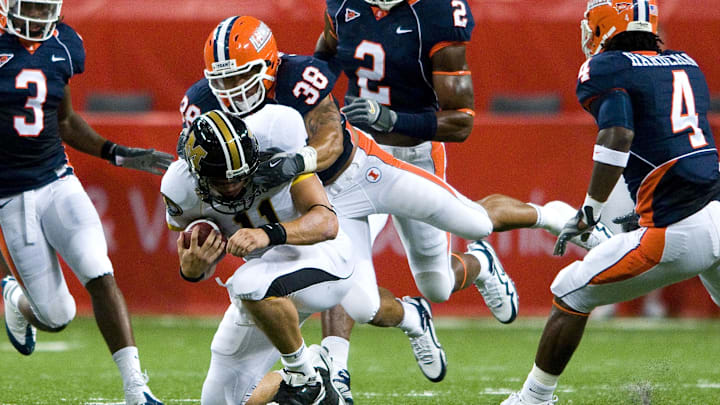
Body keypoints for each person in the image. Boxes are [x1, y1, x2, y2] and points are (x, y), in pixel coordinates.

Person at [182, 15, 613, 403]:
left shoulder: (299, 79)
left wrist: (293, 162)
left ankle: (552, 216)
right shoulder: (205, 103)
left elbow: (331, 137)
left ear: (270, 66)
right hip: (329, 200)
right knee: (363, 303)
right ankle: (391, 332)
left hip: (367, 169)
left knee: (472, 221)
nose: (231, 91)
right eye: (222, 81)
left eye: (242, 77)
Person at [502, 1, 720, 404]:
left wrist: (589, 209)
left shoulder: (607, 67)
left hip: (677, 229)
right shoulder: (686, 62)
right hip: (716, 210)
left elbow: (618, 134)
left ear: (606, 24)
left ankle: (533, 399)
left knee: (569, 291)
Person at [165, 108, 445, 405]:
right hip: (267, 281)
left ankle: (305, 377)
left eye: (241, 177)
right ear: (197, 174)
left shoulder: (276, 156)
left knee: (248, 283)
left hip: (323, 259)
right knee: (219, 401)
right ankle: (305, 374)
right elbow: (202, 259)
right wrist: (193, 270)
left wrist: (268, 234)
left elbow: (327, 223)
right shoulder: (178, 188)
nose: (234, 187)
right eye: (223, 181)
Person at [0, 1, 173, 404]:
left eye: (45, 8)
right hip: (11, 196)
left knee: (99, 269)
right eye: (31, 7)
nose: (39, 16)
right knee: (56, 316)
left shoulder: (65, 42)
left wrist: (118, 152)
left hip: (57, 181)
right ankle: (14, 298)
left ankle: (136, 388)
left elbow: (64, 121)